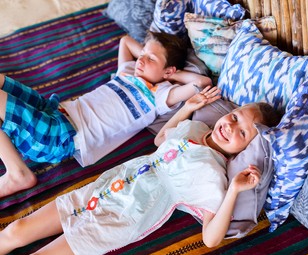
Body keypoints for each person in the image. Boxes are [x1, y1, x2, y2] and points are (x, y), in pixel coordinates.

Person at [0, 86, 281, 255]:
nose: (230, 126)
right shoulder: (197, 129)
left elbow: (210, 238)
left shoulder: (213, 174)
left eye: (241, 132)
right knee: (16, 229)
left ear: (245, 147)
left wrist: (233, 190)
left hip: (124, 216)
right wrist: (187, 109)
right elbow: (160, 142)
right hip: (103, 188)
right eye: (233, 116)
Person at [0, 31, 212, 198]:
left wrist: (170, 75)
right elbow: (126, 41)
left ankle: (17, 173)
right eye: (142, 55)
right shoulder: (128, 72)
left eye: (150, 59)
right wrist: (149, 56)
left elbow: (201, 83)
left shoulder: (160, 96)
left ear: (168, 71)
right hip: (52, 110)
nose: (141, 60)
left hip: (60, 137)